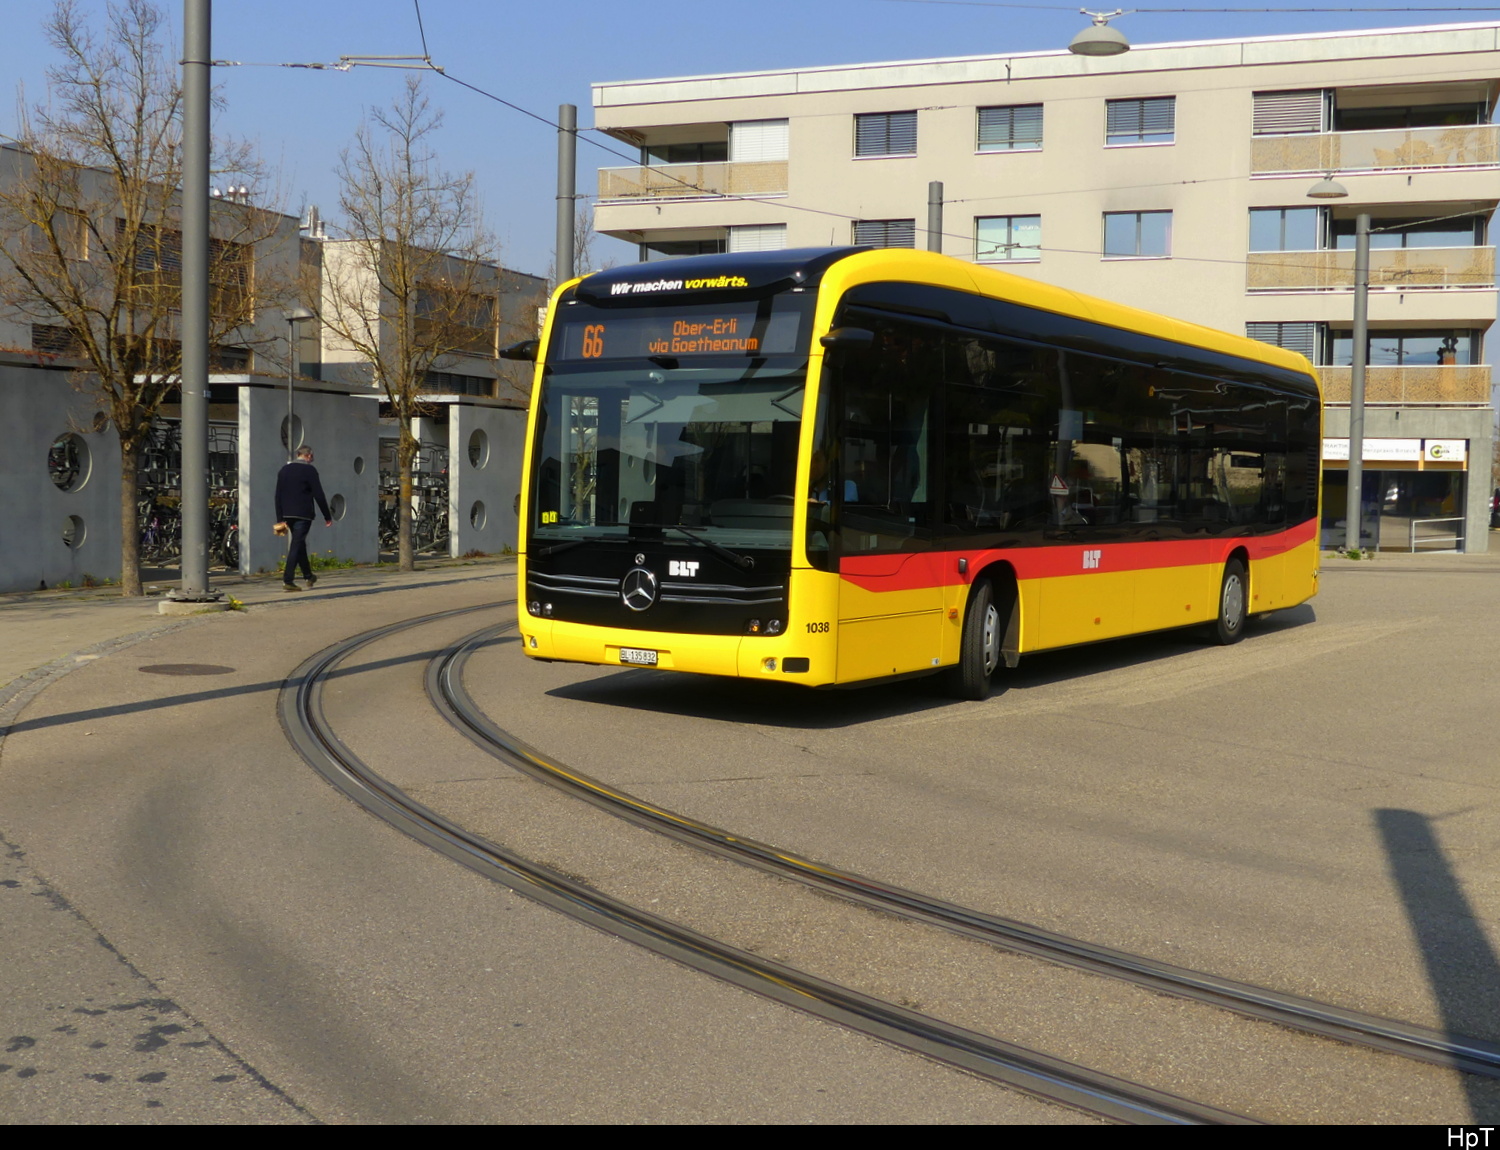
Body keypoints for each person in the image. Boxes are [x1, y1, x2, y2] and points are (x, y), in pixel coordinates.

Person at [274, 445, 332, 591]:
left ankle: (308, 575)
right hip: (303, 514)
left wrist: (280, 517)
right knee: (296, 545)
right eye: (312, 457)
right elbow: (318, 494)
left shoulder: (284, 470)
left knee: (300, 544)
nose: (312, 460)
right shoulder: (309, 470)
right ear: (307, 456)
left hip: (287, 514)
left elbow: (278, 495)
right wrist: (327, 515)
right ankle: (288, 580)